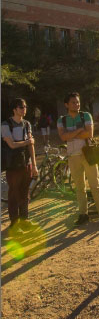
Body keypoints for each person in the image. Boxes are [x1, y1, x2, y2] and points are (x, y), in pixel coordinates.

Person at [57, 92, 99, 228]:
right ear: (66, 105)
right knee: (79, 187)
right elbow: (63, 138)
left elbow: (89, 133)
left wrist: (71, 134)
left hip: (88, 154)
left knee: (95, 185)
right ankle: (83, 215)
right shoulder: (61, 120)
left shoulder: (86, 115)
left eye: (78, 102)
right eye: (74, 102)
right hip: (72, 156)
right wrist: (80, 130)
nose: (77, 104)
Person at [1, 98, 39, 235]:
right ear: (14, 109)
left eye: (25, 106)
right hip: (12, 165)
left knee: (24, 192)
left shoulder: (27, 124)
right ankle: (14, 223)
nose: (24, 109)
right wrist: (27, 142)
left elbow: (31, 145)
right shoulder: (5, 125)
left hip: (26, 164)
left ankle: (25, 219)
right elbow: (11, 144)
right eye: (21, 107)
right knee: (13, 193)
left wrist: (34, 165)